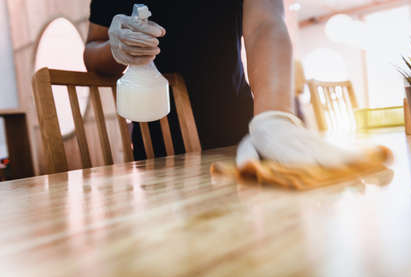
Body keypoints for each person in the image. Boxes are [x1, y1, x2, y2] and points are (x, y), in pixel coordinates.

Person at [84, 0, 359, 168]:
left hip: (237, 136)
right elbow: (92, 53)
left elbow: (265, 24)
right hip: (157, 147)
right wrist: (115, 48)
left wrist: (273, 118)